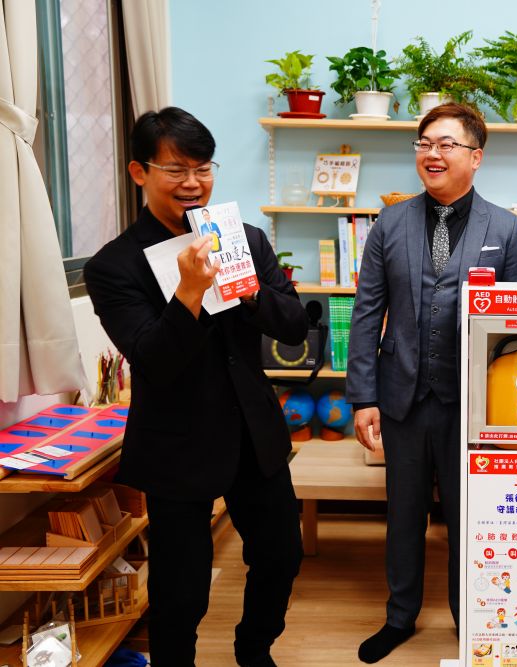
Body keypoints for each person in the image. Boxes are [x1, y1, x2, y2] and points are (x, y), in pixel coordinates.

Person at [84, 107, 307, 667]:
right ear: (140, 172)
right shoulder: (113, 266)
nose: (193, 182)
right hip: (176, 443)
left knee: (281, 556)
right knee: (181, 590)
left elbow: (293, 327)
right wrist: (188, 291)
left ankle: (254, 649)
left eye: (203, 168)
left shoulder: (244, 238)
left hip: (253, 434)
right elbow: (154, 361)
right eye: (176, 169)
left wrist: (249, 290)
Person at [347, 103, 517, 663]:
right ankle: (399, 616)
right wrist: (364, 397)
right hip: (401, 396)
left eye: (447, 144)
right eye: (425, 143)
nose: (432, 153)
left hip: (471, 403)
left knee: (468, 517)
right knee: (403, 515)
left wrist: (507, 409)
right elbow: (366, 312)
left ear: (476, 157)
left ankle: (469, 618)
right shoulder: (390, 222)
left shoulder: (505, 227)